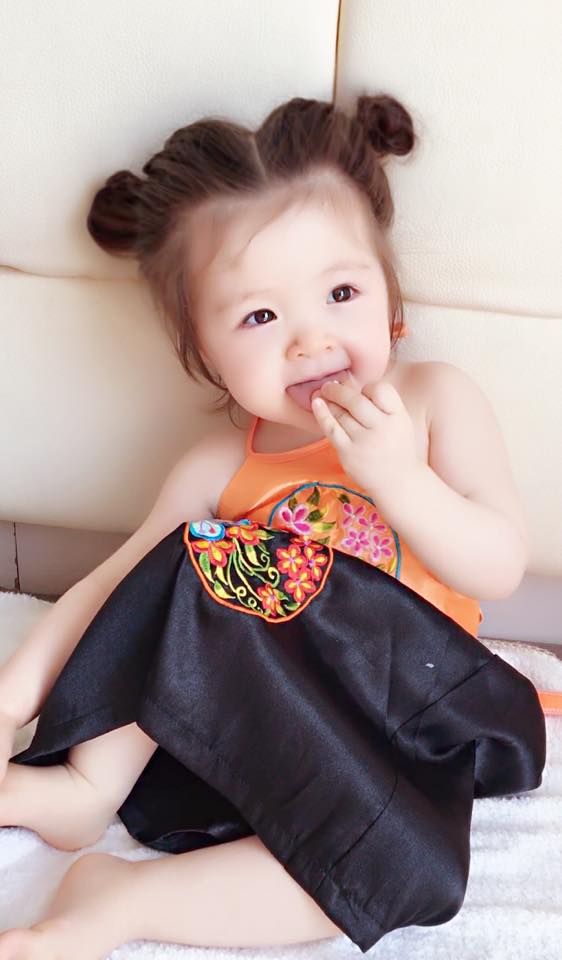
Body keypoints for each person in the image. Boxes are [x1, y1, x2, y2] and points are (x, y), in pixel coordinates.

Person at [0, 94, 556, 959]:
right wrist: (11, 701)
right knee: (184, 568)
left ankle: (123, 896)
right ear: (204, 354)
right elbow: (117, 591)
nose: (309, 340)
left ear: (391, 302)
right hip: (259, 728)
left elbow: (497, 565)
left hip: (402, 722)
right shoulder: (219, 464)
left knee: (409, 874)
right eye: (260, 317)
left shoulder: (432, 402)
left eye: (341, 293)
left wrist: (402, 480)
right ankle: (84, 791)